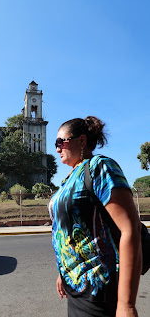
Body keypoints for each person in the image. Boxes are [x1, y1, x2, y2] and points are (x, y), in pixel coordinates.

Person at [48, 117, 142, 317]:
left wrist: (126, 305)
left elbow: (130, 229)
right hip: (76, 288)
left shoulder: (99, 167)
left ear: (81, 141)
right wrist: (64, 270)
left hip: (98, 289)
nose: (57, 149)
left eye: (60, 142)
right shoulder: (69, 178)